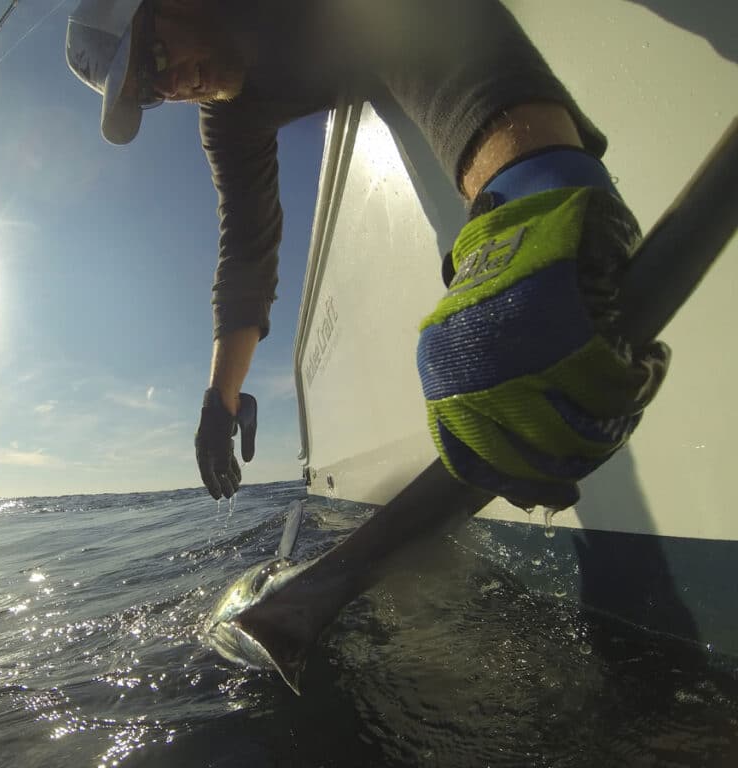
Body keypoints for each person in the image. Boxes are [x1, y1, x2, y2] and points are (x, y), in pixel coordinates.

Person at [65, 0, 669, 510]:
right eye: (146, 92)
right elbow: (246, 246)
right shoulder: (227, 117)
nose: (168, 86)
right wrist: (219, 401)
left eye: (154, 57)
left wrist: (530, 195)